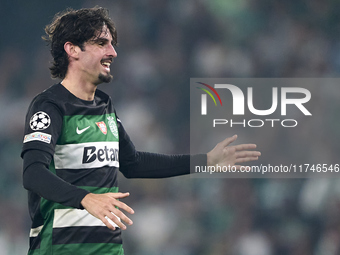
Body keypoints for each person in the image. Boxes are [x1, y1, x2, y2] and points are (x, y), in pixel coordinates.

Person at [21, 7, 261, 255]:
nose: (112, 52)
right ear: (72, 50)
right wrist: (85, 198)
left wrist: (206, 161)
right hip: (58, 249)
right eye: (101, 43)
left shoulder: (104, 106)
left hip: (107, 249)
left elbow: (133, 163)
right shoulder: (50, 106)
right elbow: (33, 174)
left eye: (112, 45)